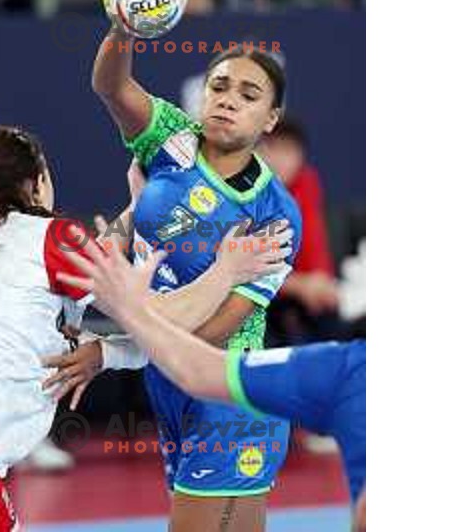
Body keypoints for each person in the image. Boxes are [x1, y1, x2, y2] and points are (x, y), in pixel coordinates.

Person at [0, 126, 290, 531]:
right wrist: (227, 271)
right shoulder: (49, 237)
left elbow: (93, 258)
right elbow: (157, 321)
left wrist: (138, 208)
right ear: (38, 183)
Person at [91, 13, 302, 529]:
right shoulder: (171, 139)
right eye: (219, 87)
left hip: (226, 385)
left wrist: (116, 344)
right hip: (171, 378)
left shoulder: (275, 213)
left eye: (249, 95)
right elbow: (111, 85)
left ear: (271, 119)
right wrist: (125, 29)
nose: (227, 99)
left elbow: (217, 329)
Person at [54, 228, 366, 531]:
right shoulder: (160, 200)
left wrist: (111, 348)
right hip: (180, 396)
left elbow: (208, 346)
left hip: (228, 411)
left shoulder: (264, 215)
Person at [256, 117, 340, 346]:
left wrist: (321, 279)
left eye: (288, 151)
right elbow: (245, 268)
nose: (278, 160)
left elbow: (314, 242)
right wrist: (301, 286)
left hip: (291, 291)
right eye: (272, 148)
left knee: (332, 320)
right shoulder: (244, 189)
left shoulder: (306, 182)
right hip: (252, 294)